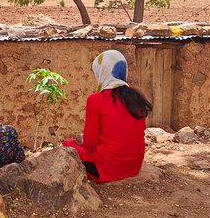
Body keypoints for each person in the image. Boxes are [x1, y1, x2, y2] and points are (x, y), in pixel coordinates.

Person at [63, 49, 152, 183]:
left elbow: (89, 143)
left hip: (108, 167)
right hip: (134, 166)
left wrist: (79, 141)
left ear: (103, 72)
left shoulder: (95, 99)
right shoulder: (136, 97)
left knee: (68, 145)